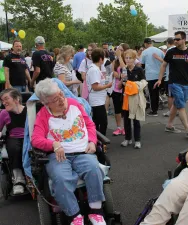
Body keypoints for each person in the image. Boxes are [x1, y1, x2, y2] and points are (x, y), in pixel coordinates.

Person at [31, 78, 106, 225]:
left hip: (82, 150)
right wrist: (54, 144)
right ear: (46, 103)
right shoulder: (43, 114)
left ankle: (95, 212)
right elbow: (36, 139)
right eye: (55, 99)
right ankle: (75, 216)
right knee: (60, 178)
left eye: (61, 95)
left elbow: (90, 125)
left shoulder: (74, 104)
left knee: (93, 169)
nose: (61, 100)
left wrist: (92, 140)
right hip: (59, 155)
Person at [155, 31, 188, 138]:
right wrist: (160, 79)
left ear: (184, 40)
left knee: (176, 104)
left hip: (185, 83)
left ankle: (169, 125)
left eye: (178, 39)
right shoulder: (171, 52)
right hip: (174, 82)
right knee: (181, 106)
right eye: (175, 39)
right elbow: (164, 65)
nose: (175, 41)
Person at [0, 88, 27, 195]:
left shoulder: (29, 110)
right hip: (13, 138)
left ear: (17, 99)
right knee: (14, 148)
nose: (4, 102)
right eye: (2, 100)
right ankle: (18, 181)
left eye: (6, 99)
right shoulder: (3, 113)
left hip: (28, 137)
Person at [120, 49, 147, 149]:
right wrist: (122, 79)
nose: (127, 60)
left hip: (136, 98)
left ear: (134, 59)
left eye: (130, 58)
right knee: (126, 119)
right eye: (126, 58)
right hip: (126, 97)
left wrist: (134, 85)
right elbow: (120, 86)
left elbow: (144, 82)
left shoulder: (139, 70)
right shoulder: (123, 70)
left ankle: (137, 140)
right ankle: (127, 138)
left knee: (136, 120)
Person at [86, 48, 112, 136]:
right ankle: (100, 141)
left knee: (97, 122)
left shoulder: (95, 69)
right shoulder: (94, 70)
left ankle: (97, 141)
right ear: (101, 59)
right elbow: (95, 87)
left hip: (98, 100)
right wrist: (107, 86)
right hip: (96, 101)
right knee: (102, 122)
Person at [141, 38, 165, 117]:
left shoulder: (145, 52)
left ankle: (154, 110)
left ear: (145, 44)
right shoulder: (160, 51)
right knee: (157, 93)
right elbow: (164, 61)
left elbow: (142, 63)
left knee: (152, 94)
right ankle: (156, 108)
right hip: (160, 75)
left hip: (150, 75)